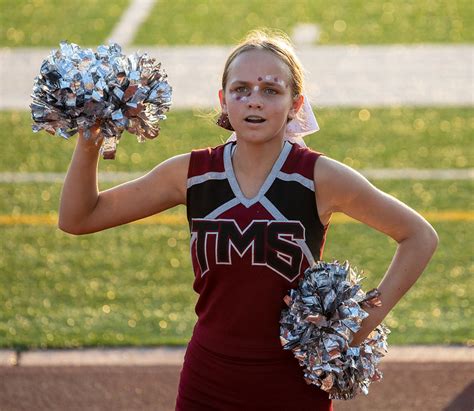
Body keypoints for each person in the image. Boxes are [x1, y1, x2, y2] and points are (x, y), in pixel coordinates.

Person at [58, 29, 438, 411]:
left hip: (292, 386)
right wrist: (91, 134)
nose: (254, 101)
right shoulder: (193, 174)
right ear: (223, 101)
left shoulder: (317, 177)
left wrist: (358, 328)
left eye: (271, 90)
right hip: (208, 382)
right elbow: (79, 217)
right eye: (241, 89)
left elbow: (419, 236)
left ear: (295, 104)